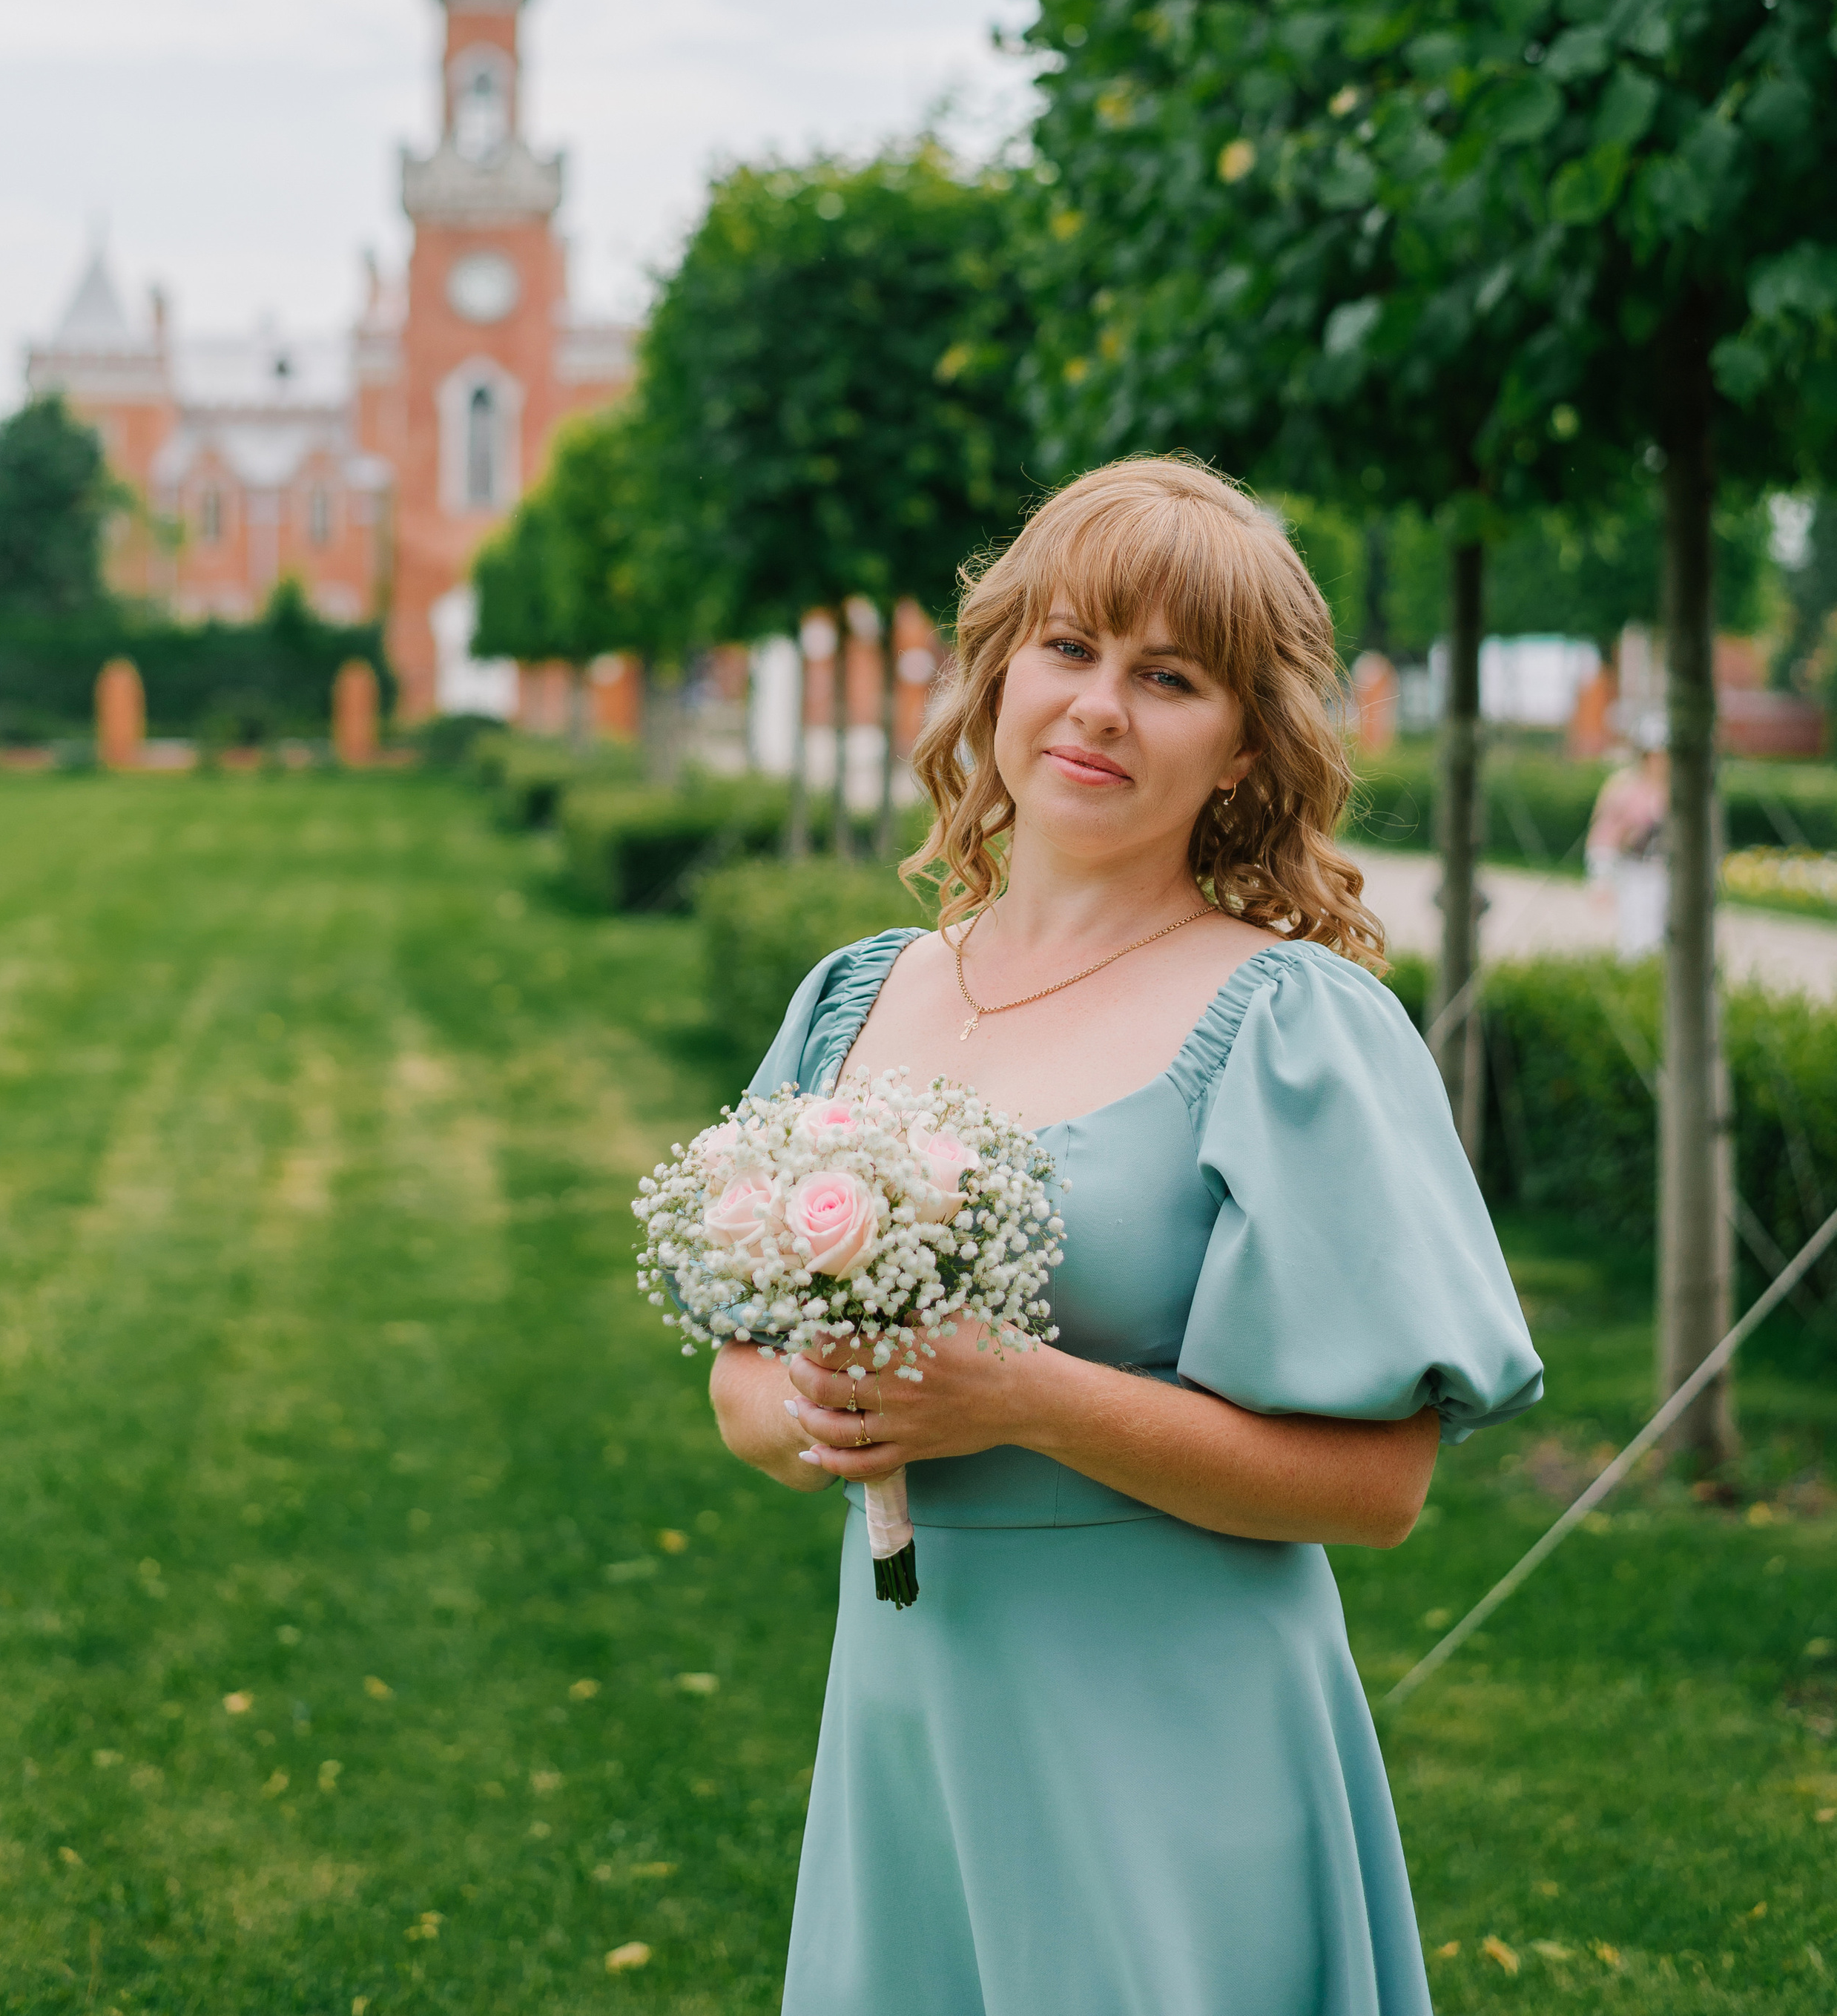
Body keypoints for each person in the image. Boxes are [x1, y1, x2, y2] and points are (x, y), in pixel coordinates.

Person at [709, 458, 1543, 2016]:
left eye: (1167, 678)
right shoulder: (854, 995)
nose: (1099, 706)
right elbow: (743, 1386)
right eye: (1069, 648)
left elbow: (1376, 1488)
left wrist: (1022, 1398)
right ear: (996, 673)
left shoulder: (1291, 1028)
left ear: (1240, 750)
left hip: (1179, 1729)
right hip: (911, 1715)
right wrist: (814, 1415)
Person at [1584, 722, 1669, 961]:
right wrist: (1600, 878)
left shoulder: (1677, 792)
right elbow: (1604, 837)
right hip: (1634, 871)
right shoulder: (1625, 789)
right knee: (1637, 935)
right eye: (1655, 756)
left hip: (1668, 872)